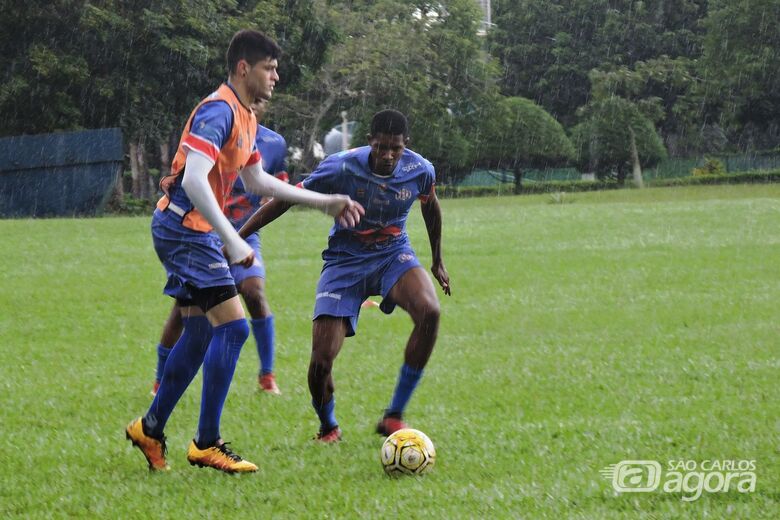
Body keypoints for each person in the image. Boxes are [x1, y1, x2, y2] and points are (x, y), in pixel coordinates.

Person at [125, 29, 363, 473]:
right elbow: (194, 180)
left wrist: (322, 202)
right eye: (269, 68)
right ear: (243, 68)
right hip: (185, 232)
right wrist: (232, 240)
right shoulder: (218, 111)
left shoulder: (246, 116)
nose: (275, 77)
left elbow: (257, 182)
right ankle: (207, 443)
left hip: (189, 231)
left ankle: (150, 428)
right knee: (233, 329)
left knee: (198, 333)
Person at [238, 109, 450, 442]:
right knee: (321, 362)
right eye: (381, 147)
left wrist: (437, 260)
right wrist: (239, 236)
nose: (388, 155)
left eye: (395, 148)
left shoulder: (419, 169)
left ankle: (394, 416)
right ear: (370, 142)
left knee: (430, 312)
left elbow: (430, 205)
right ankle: (329, 426)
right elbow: (285, 200)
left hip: (393, 254)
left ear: (405, 145)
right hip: (344, 262)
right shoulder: (341, 165)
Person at [150, 98, 288, 398]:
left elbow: (274, 189)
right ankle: (161, 380)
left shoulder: (275, 143)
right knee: (186, 310)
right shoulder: (217, 127)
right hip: (202, 234)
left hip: (244, 233)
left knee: (253, 290)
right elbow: (193, 177)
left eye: (264, 100)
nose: (258, 103)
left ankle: (267, 376)